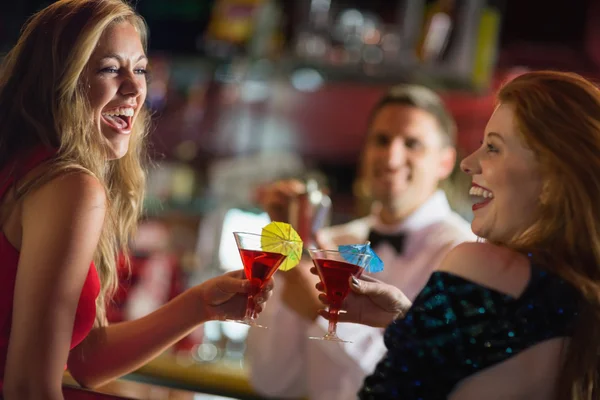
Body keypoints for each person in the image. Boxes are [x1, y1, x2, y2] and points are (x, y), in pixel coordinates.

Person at [0, 1, 274, 398]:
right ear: (60, 79)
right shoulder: (68, 185)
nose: (134, 88)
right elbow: (28, 387)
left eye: (140, 69)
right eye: (111, 68)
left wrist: (200, 304)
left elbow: (86, 359)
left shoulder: (22, 166)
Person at [318, 70, 599, 399]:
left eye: (493, 148)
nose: (468, 163)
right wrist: (414, 323)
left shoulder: (481, 264)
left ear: (551, 181)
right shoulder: (582, 297)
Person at [246, 84, 476, 399]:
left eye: (413, 144)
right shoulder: (332, 243)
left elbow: (425, 382)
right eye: (381, 140)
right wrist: (286, 255)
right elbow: (271, 381)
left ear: (445, 162)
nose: (392, 157)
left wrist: (322, 313)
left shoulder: (466, 255)